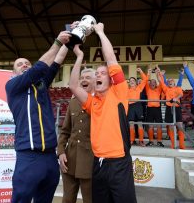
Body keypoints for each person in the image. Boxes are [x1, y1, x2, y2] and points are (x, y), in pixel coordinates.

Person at [69, 22, 137, 203]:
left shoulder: (119, 93)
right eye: (96, 73)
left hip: (119, 164)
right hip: (97, 164)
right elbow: (73, 86)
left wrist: (99, 32)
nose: (98, 75)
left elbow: (111, 59)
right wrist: (79, 56)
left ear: (112, 79)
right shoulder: (93, 103)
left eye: (103, 73)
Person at [5, 31, 71, 203]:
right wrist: (57, 42)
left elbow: (55, 63)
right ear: (14, 72)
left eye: (27, 63)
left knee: (45, 200)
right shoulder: (12, 86)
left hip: (50, 156)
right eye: (20, 65)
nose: (25, 65)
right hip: (29, 155)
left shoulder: (40, 85)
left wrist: (72, 39)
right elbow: (39, 68)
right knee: (21, 199)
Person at [57, 67, 95, 203]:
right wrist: (61, 151)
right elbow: (65, 130)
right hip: (70, 159)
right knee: (67, 199)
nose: (84, 80)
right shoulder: (73, 102)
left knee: (90, 199)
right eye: (82, 78)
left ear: (95, 81)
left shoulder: (100, 102)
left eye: (88, 78)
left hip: (90, 160)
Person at [157, 67, 185, 149]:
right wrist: (159, 73)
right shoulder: (166, 89)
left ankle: (182, 144)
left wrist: (176, 98)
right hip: (169, 108)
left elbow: (181, 94)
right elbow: (160, 81)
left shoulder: (178, 88)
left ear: (174, 82)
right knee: (171, 126)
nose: (170, 82)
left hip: (176, 107)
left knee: (179, 125)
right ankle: (173, 144)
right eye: (168, 81)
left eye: (171, 81)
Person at [145, 68, 164, 147]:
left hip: (157, 109)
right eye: (151, 82)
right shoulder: (147, 89)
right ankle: (151, 141)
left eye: (154, 82)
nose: (153, 83)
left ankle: (159, 141)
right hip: (149, 109)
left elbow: (161, 82)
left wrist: (158, 73)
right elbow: (145, 81)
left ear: (156, 84)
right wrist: (148, 73)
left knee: (159, 125)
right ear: (149, 84)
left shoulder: (158, 89)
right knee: (150, 126)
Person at [127, 68, 147, 146]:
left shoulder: (139, 88)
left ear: (136, 82)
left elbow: (145, 79)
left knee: (140, 123)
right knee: (131, 124)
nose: (131, 82)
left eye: (133, 81)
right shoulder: (126, 89)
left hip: (138, 106)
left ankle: (141, 141)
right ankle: (132, 140)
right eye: (130, 81)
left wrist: (141, 71)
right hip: (130, 106)